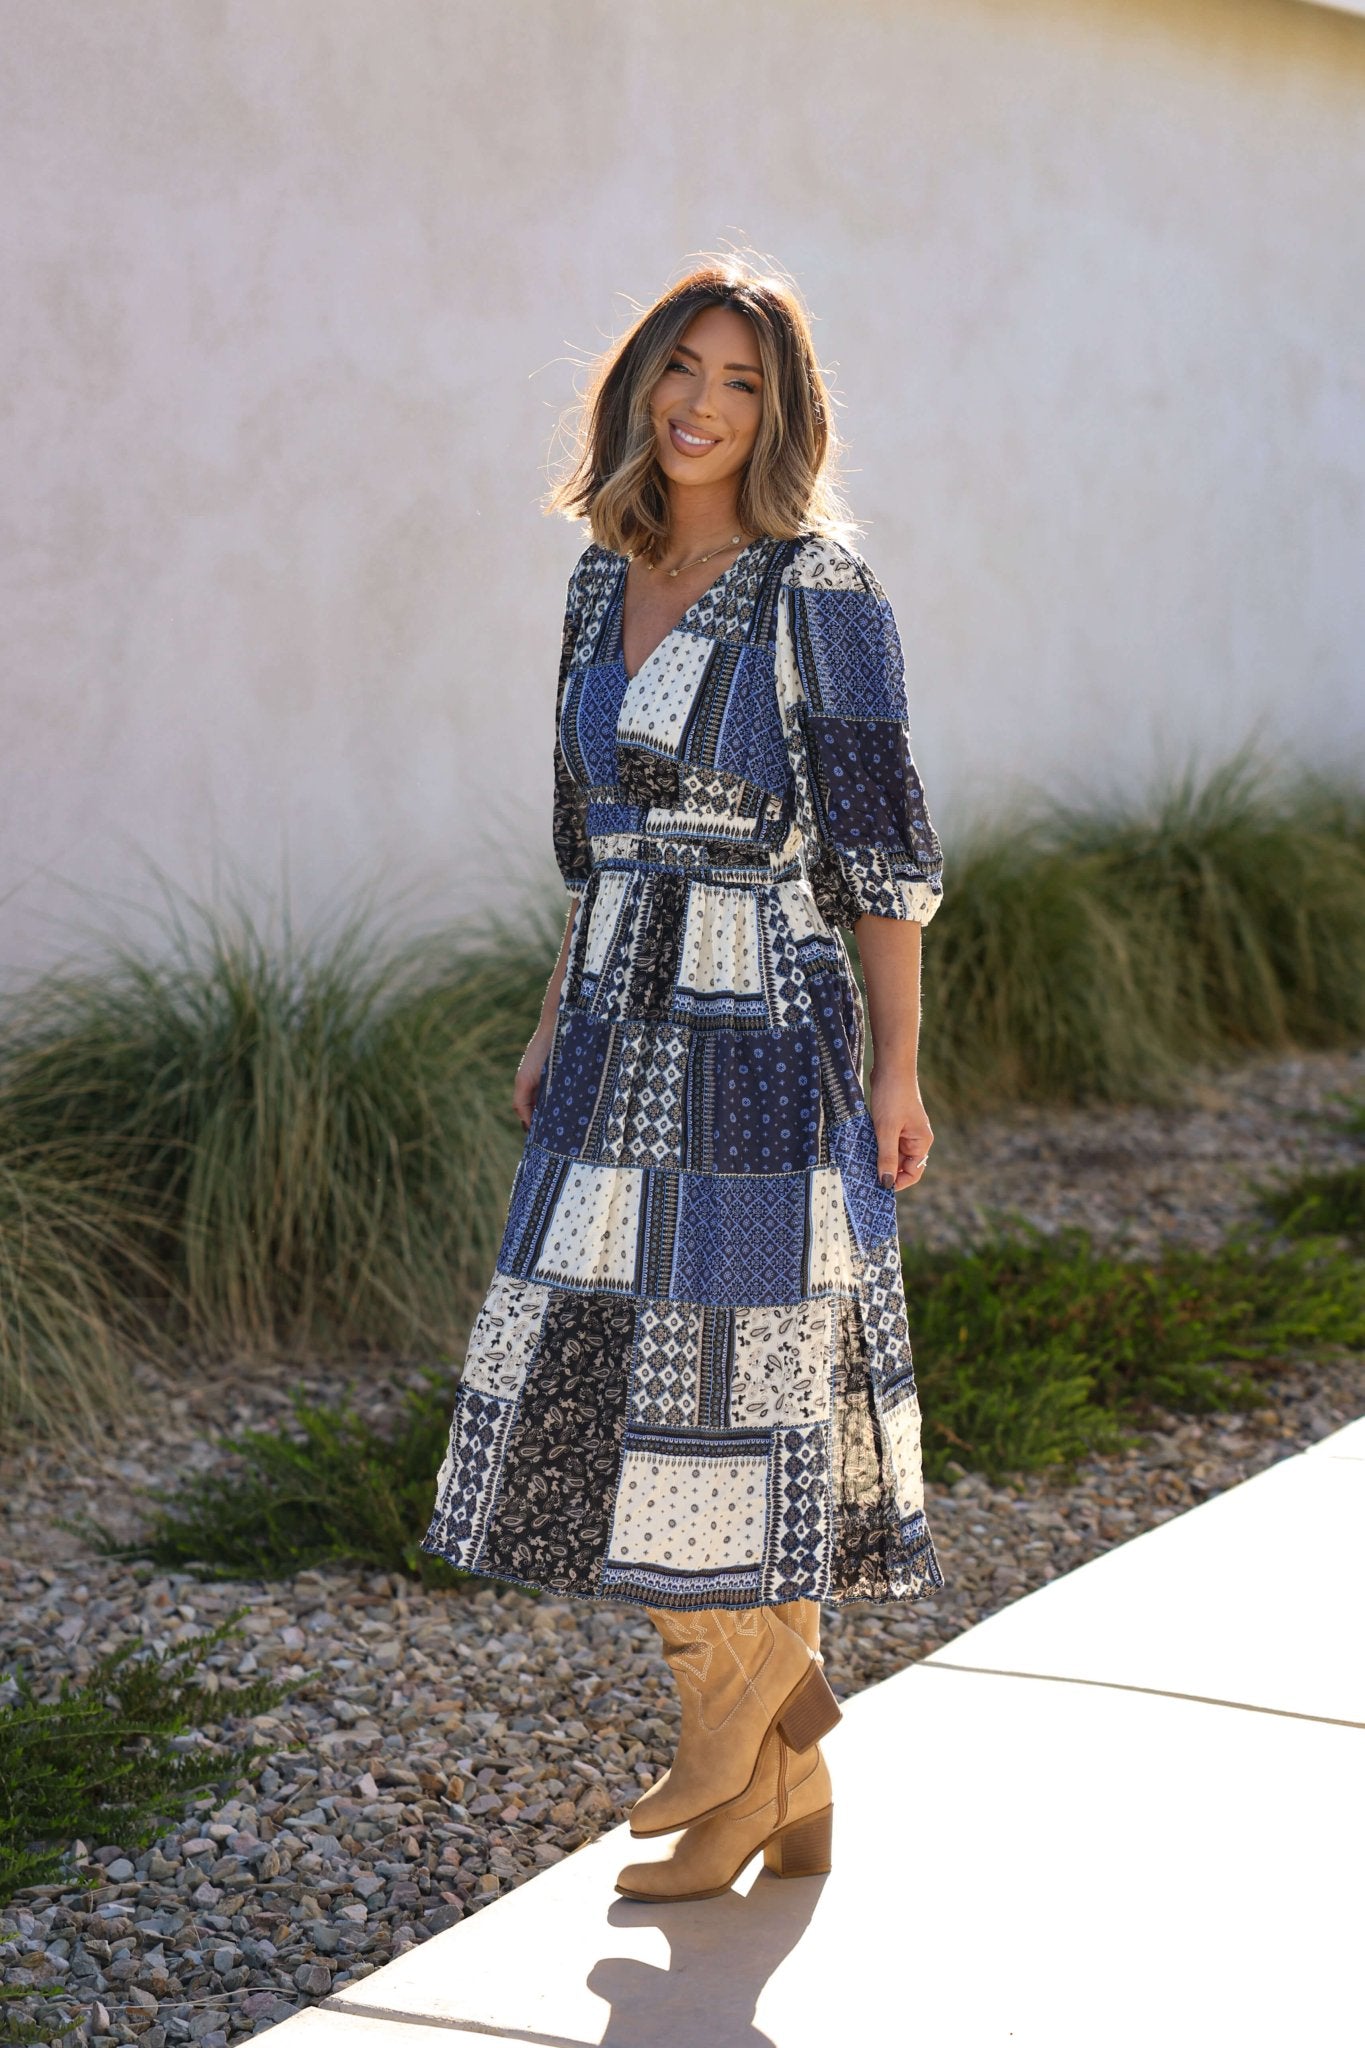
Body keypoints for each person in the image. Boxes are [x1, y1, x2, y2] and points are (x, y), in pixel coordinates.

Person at [422, 257, 946, 1903]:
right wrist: (546, 1010)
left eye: (739, 381)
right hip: (610, 1017)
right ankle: (766, 1758)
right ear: (639, 385)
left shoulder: (815, 588)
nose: (703, 404)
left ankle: (736, 1751)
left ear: (778, 413)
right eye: (682, 370)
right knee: (602, 1362)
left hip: (755, 1024)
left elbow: (879, 844)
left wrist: (900, 1063)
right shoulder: (599, 582)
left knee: (731, 1378)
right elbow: (595, 846)